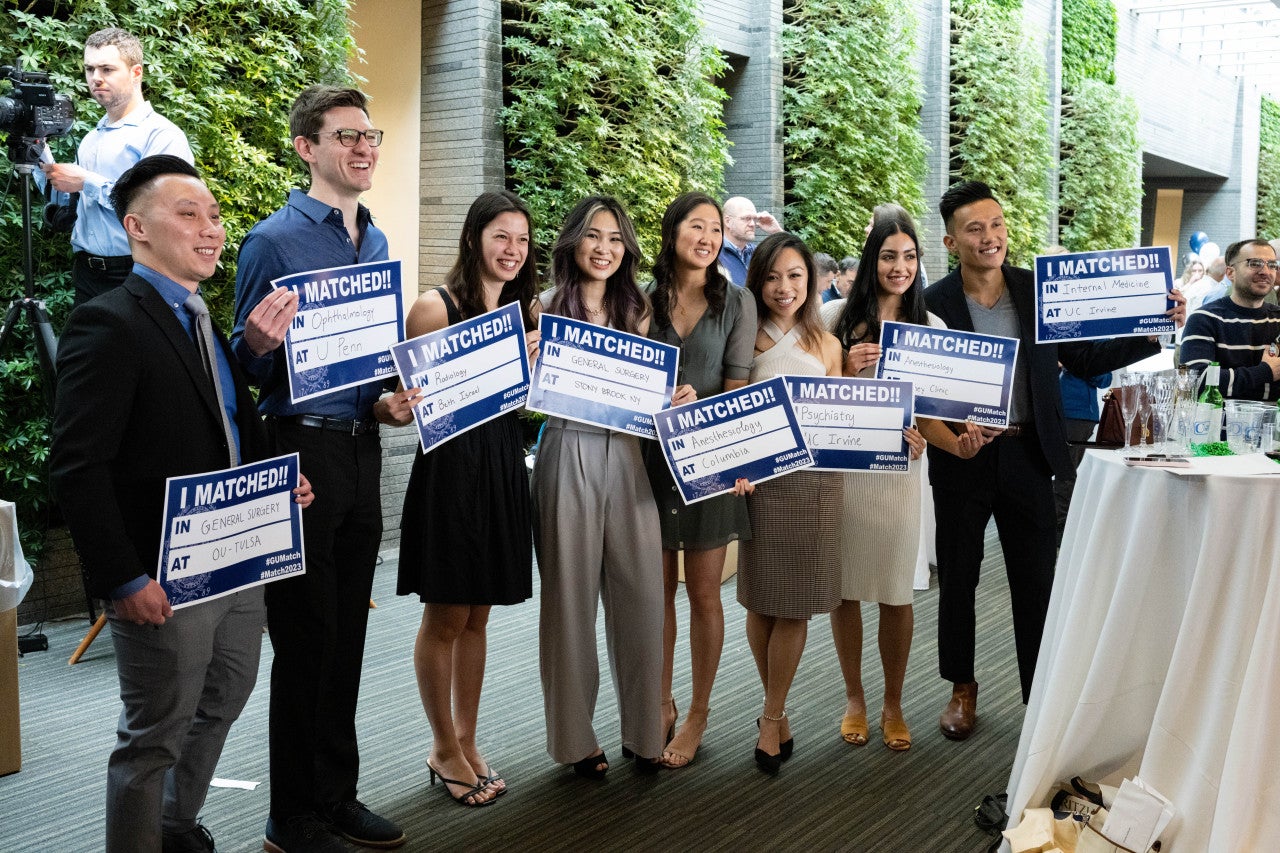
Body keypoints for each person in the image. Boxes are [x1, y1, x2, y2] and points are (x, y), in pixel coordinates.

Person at [49, 155, 314, 853]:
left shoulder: (203, 320)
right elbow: (78, 466)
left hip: (240, 560)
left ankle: (174, 822)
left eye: (216, 215)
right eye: (188, 214)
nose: (211, 229)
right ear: (136, 228)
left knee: (226, 694)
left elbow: (227, 423)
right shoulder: (108, 322)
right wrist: (121, 578)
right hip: (162, 575)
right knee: (152, 734)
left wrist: (276, 481)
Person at [924, 180, 1183, 739]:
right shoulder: (932, 303)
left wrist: (1156, 327)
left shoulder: (1038, 291)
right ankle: (961, 687)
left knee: (1037, 580)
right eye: (975, 228)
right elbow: (920, 384)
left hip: (1029, 452)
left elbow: (1087, 358)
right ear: (951, 241)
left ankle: (1037, 694)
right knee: (960, 578)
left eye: (996, 224)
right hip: (962, 459)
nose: (989, 237)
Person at [231, 86, 409, 852]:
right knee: (304, 638)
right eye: (346, 136)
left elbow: (366, 367)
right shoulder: (270, 242)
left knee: (347, 638)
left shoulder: (376, 242)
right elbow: (236, 370)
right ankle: (290, 813)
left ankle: (337, 795)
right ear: (307, 147)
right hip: (295, 449)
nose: (364, 147)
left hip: (360, 450)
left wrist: (385, 404)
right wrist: (257, 347)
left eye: (369, 135)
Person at [387, 190, 541, 805]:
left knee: (479, 613)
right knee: (447, 614)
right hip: (451, 470)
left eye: (523, 240)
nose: (512, 250)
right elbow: (414, 400)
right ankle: (441, 744)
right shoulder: (435, 306)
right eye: (502, 236)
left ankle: (468, 738)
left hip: (503, 464)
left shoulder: (525, 316)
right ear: (475, 237)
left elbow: (523, 408)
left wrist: (530, 369)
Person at [533, 196, 677, 779]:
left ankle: (645, 734)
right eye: (593, 236)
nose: (604, 248)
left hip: (627, 455)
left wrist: (674, 399)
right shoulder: (541, 307)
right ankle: (575, 742)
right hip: (566, 447)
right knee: (568, 604)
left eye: (615, 239)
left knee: (642, 596)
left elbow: (648, 394)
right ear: (574, 242)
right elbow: (523, 396)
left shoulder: (638, 307)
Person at [828, 218, 968, 752]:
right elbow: (812, 394)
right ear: (871, 260)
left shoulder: (931, 326)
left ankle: (892, 702)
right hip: (845, 472)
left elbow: (934, 414)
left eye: (909, 256)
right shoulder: (834, 318)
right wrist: (843, 364)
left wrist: (933, 440)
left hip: (901, 473)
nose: (900, 268)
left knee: (895, 589)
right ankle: (854, 698)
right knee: (845, 590)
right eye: (889, 256)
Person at [643, 192, 757, 768]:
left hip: (709, 457)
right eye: (697, 226)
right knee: (657, 593)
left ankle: (697, 714)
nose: (708, 237)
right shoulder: (640, 299)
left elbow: (737, 386)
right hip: (647, 460)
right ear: (673, 232)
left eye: (716, 229)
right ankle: (660, 703)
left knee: (706, 593)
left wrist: (729, 449)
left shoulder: (736, 302)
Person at [737, 232, 843, 774]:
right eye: (773, 276)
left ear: (813, 280)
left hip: (815, 485)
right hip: (760, 485)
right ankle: (774, 712)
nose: (784, 287)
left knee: (797, 601)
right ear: (758, 282)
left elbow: (846, 423)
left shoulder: (828, 345)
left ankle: (772, 713)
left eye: (795, 275)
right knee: (761, 600)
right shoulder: (746, 338)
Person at [39, 27, 194, 306]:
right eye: (89, 69)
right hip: (86, 275)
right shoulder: (90, 139)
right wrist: (43, 164)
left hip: (141, 274)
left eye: (107, 69)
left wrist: (87, 181)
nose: (96, 78)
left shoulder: (161, 135)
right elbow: (71, 203)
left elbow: (162, 212)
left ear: (136, 73)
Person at [1179, 238, 1280, 401]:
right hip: (1217, 425)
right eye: (1254, 263)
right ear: (1230, 273)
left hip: (1272, 425)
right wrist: (1265, 372)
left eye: (1272, 265)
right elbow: (1196, 382)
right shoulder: (1204, 319)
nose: (1265, 271)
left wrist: (1226, 379)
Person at [718, 195, 783, 286]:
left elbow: (794, 262)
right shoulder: (714, 253)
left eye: (754, 219)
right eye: (747, 218)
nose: (752, 224)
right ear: (728, 221)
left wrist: (778, 232)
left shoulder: (758, 253)